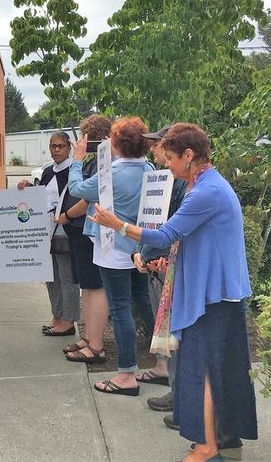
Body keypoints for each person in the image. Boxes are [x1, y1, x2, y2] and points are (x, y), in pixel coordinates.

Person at [88, 123, 257, 462]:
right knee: (219, 370)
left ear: (189, 155)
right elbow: (188, 238)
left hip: (213, 297)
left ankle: (209, 447)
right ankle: (226, 439)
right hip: (220, 294)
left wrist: (117, 225)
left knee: (205, 370)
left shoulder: (205, 191)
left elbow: (165, 235)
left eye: (170, 158)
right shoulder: (208, 185)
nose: (166, 165)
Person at [67, 117, 165, 395]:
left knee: (121, 310)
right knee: (144, 304)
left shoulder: (112, 173)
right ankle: (162, 363)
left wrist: (78, 160)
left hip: (113, 248)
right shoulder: (149, 169)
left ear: (117, 144)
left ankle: (126, 375)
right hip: (139, 247)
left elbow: (77, 189)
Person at [136, 125, 187, 417]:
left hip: (167, 266)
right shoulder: (162, 179)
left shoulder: (178, 184)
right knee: (169, 335)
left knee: (176, 336)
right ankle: (177, 393)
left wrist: (153, 254)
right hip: (158, 263)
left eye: (159, 145)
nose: (156, 151)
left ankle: (180, 399)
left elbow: (171, 229)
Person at [18, 132, 79, 337]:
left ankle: (69, 321)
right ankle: (58, 315)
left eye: (61, 146)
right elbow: (40, 196)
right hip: (45, 231)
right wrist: (25, 189)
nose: (56, 150)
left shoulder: (74, 170)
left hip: (66, 231)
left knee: (67, 277)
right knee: (51, 276)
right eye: (53, 146)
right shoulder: (46, 170)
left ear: (69, 147)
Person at [61, 114, 111, 361]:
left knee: (94, 286)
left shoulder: (102, 162)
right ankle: (89, 337)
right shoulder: (97, 161)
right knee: (88, 287)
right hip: (83, 232)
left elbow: (82, 193)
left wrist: (67, 216)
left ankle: (95, 343)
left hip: (87, 228)